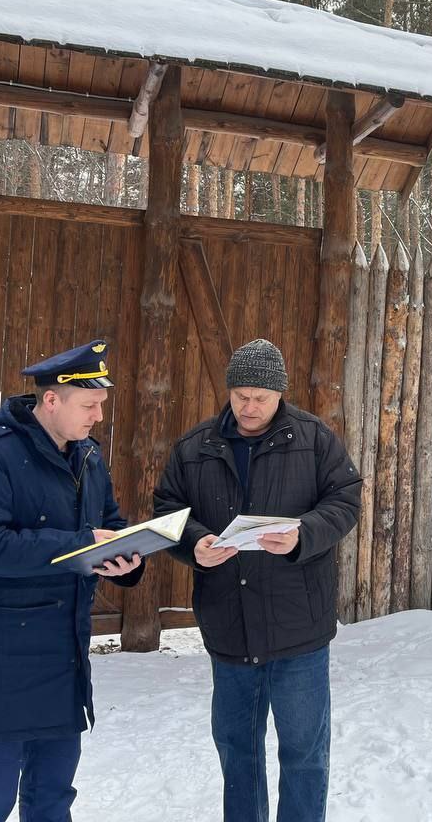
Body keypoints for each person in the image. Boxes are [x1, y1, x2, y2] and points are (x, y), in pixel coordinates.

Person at [154, 338, 362, 822]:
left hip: (299, 631)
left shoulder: (314, 439)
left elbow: (346, 500)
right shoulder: (194, 447)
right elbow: (168, 510)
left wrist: (303, 535)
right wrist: (196, 543)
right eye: (240, 395)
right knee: (238, 753)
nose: (249, 407)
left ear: (280, 395)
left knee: (304, 754)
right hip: (229, 627)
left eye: (260, 398)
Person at [0, 339, 145, 822]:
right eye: (89, 405)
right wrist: (80, 544)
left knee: (53, 798)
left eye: (100, 406)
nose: (98, 416)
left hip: (63, 659)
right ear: (51, 400)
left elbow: (109, 525)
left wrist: (127, 559)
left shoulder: (89, 458)